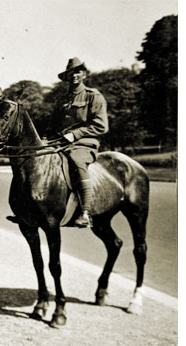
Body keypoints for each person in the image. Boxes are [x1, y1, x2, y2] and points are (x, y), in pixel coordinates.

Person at [46, 57, 109, 227]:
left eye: (78, 71)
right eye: (71, 73)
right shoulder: (62, 99)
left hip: (85, 143)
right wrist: (46, 138)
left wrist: (75, 135)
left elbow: (101, 126)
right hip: (61, 142)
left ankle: (85, 213)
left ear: (84, 74)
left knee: (77, 161)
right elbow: (52, 125)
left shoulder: (92, 96)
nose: (74, 75)